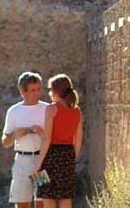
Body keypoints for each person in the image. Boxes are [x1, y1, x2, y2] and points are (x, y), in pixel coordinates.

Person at [34, 74, 83, 208]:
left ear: (54, 91)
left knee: (46, 196)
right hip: (68, 156)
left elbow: (47, 138)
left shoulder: (51, 108)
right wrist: (72, 159)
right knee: (66, 198)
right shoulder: (77, 111)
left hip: (49, 157)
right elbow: (78, 141)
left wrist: (38, 165)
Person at [2, 71, 49, 208]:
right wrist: (15, 134)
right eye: (33, 90)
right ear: (23, 91)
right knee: (22, 202)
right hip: (22, 162)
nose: (37, 93)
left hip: (42, 162)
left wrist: (42, 133)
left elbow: (54, 138)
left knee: (42, 202)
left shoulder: (47, 109)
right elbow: (5, 142)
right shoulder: (14, 111)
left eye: (39, 89)